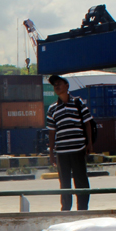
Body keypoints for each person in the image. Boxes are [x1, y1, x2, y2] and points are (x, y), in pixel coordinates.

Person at [46, 74, 95, 211]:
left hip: (78, 149)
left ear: (67, 86)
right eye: (55, 85)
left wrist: (89, 143)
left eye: (59, 83)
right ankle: (66, 210)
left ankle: (82, 210)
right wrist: (51, 153)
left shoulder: (78, 103)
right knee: (64, 183)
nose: (57, 86)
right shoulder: (52, 109)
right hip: (61, 152)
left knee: (81, 181)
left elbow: (87, 124)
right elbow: (51, 132)